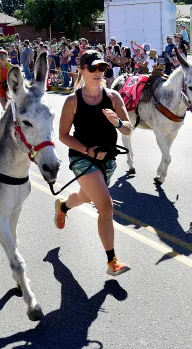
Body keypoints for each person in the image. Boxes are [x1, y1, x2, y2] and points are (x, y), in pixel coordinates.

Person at [56, 50, 132, 275]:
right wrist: (87, 150)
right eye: (93, 68)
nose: (98, 72)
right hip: (82, 158)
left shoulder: (113, 97)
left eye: (102, 68)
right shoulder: (73, 101)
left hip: (107, 159)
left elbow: (129, 128)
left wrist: (118, 122)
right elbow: (63, 135)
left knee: (86, 196)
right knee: (105, 206)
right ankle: (112, 261)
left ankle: (63, 206)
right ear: (82, 71)